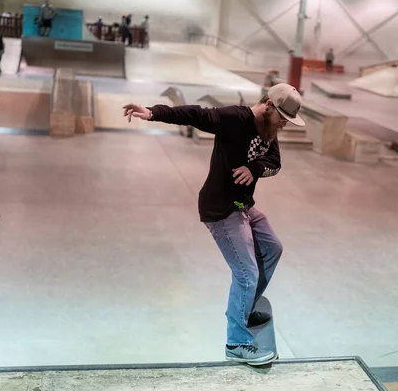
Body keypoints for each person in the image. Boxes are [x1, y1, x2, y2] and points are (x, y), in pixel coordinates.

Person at [122, 83, 306, 366]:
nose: (283, 124)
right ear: (269, 105)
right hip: (221, 209)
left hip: (244, 206)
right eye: (282, 117)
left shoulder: (270, 129)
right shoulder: (235, 118)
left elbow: (274, 163)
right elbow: (196, 114)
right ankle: (237, 342)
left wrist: (254, 168)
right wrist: (153, 112)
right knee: (246, 273)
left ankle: (242, 311)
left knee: (272, 249)